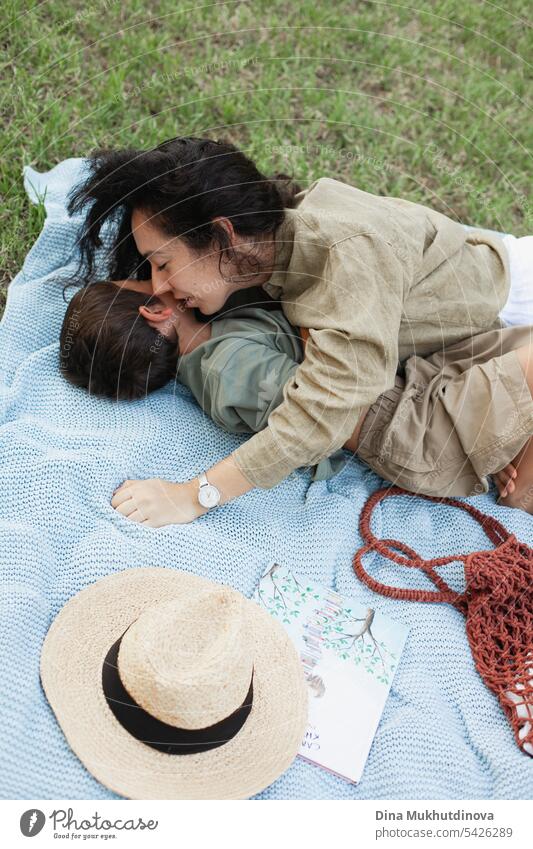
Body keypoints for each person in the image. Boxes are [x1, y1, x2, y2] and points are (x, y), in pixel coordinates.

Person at [67, 136, 533, 526]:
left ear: (224, 234)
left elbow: (321, 413)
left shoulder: (345, 257)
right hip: (456, 350)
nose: (158, 286)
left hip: (510, 296)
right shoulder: (264, 260)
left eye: (162, 264)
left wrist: (194, 495)